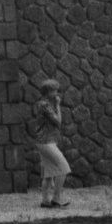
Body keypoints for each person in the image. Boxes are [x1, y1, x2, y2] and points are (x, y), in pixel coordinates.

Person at [31, 78, 70, 208]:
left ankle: (45, 201)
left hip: (44, 141)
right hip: (46, 142)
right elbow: (58, 122)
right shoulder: (45, 105)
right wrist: (58, 105)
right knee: (63, 168)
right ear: (48, 92)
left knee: (48, 173)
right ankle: (57, 198)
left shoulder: (43, 104)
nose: (57, 93)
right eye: (54, 91)